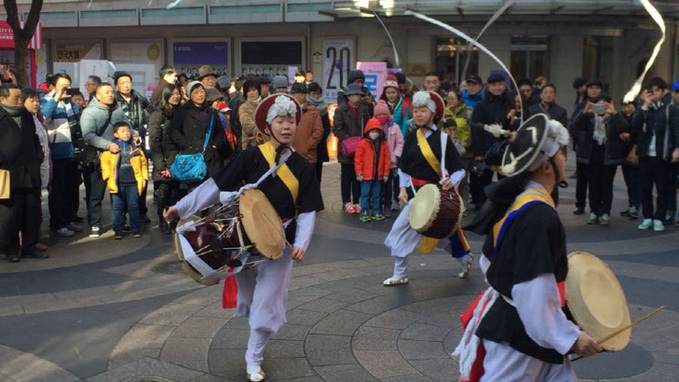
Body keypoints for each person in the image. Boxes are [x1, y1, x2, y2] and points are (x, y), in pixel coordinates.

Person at [163, 93, 323, 382]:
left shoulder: (303, 167)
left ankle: (254, 357)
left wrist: (301, 244)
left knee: (266, 303)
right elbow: (215, 186)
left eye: (291, 121)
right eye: (280, 120)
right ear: (268, 125)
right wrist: (181, 208)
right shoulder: (250, 157)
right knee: (249, 300)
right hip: (242, 241)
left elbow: (309, 210)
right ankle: (258, 335)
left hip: (278, 245)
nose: (287, 126)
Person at [456, 114, 602, 382]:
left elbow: (489, 263)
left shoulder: (521, 200)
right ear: (546, 165)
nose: (563, 157)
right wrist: (570, 337)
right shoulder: (537, 215)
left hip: (524, 326)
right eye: (560, 152)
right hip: (523, 335)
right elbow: (531, 291)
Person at [383, 91, 472, 286]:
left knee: (441, 236)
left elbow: (459, 169)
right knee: (401, 230)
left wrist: (452, 181)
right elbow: (404, 168)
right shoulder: (411, 136)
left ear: (432, 113)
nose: (418, 114)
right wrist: (403, 189)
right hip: (415, 195)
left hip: (435, 196)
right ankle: (400, 273)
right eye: (416, 111)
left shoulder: (443, 139)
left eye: (423, 110)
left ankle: (465, 259)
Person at [0, 83, 45, 262]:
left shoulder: (26, 115)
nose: (20, 101)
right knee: (11, 214)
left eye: (20, 97)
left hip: (30, 171)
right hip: (9, 174)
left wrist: (38, 156)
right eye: (16, 98)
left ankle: (30, 245)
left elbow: (34, 138)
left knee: (31, 211)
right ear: (2, 99)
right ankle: (10, 249)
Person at [630, 77, 679, 232]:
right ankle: (647, 217)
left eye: (657, 90)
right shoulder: (644, 109)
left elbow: (676, 131)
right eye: (651, 91)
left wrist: (677, 148)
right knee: (644, 187)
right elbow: (634, 125)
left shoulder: (669, 110)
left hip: (662, 154)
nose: (654, 94)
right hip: (645, 154)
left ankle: (659, 217)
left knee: (662, 187)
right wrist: (644, 105)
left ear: (663, 92)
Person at [572, 94, 629, 225]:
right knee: (593, 185)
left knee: (607, 185)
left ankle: (605, 212)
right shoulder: (590, 117)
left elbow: (624, 126)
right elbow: (575, 127)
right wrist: (584, 112)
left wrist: (614, 112)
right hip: (592, 155)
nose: (601, 108)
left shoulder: (614, 117)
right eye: (599, 105)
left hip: (609, 155)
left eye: (605, 105)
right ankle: (594, 211)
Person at [41, 73, 84, 237]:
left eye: (68, 85)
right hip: (56, 154)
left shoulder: (70, 104)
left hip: (72, 153)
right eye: (62, 85)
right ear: (53, 86)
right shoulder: (47, 101)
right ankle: (57, 224)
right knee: (58, 191)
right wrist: (56, 99)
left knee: (70, 189)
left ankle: (67, 219)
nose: (66, 89)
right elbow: (44, 117)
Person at [80, 82, 126, 237]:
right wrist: (109, 145)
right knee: (95, 193)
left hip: (118, 157)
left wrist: (134, 134)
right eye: (107, 92)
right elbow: (89, 136)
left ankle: (119, 222)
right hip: (97, 158)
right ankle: (95, 223)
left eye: (112, 92)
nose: (111, 94)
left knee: (117, 191)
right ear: (97, 95)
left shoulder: (117, 109)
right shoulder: (89, 112)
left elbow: (127, 126)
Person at [169, 81, 230, 183]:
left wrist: (215, 145)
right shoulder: (183, 111)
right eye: (196, 93)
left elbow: (220, 131)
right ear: (190, 95)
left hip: (210, 157)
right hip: (191, 157)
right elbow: (174, 130)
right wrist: (186, 145)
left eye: (202, 91)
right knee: (194, 190)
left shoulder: (211, 111)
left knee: (210, 190)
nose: (200, 95)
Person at [470, 73, 512, 207]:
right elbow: (475, 129)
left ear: (504, 85)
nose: (497, 88)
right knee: (484, 182)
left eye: (500, 84)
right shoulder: (481, 105)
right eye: (494, 85)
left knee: (505, 181)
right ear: (488, 87)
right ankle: (483, 208)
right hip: (486, 149)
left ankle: (504, 207)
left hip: (506, 149)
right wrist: (477, 152)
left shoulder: (510, 103)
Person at [114, 71, 151, 222]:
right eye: (122, 82)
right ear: (117, 85)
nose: (126, 85)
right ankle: (121, 215)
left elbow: (149, 116)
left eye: (128, 82)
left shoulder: (140, 99)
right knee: (122, 179)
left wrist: (140, 132)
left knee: (142, 177)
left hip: (139, 143)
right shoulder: (114, 101)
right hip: (121, 145)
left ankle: (141, 211)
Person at [100, 122, 148, 239]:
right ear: (116, 134)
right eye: (123, 131)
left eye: (128, 131)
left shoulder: (135, 147)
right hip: (117, 183)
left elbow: (143, 162)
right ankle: (118, 229)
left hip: (133, 183)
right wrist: (107, 176)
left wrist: (144, 177)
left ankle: (135, 228)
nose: (126, 133)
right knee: (117, 207)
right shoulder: (111, 148)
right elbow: (105, 162)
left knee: (134, 206)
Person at [148, 84, 182, 233]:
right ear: (166, 95)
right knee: (164, 192)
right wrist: (161, 166)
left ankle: (174, 221)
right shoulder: (158, 114)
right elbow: (154, 141)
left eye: (178, 93)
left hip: (179, 159)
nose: (176, 96)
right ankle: (163, 222)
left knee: (177, 193)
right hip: (164, 159)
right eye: (172, 94)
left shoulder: (181, 112)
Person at [332, 83, 371, 214]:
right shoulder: (340, 110)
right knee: (346, 176)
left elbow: (368, 126)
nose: (356, 97)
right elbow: (336, 129)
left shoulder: (364, 109)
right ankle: (346, 201)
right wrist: (348, 139)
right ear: (348, 96)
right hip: (346, 148)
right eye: (353, 94)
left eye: (358, 94)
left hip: (361, 147)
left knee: (358, 175)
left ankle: (356, 201)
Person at [22, 88, 51, 252]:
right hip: (29, 171)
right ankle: (28, 240)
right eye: (32, 100)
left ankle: (35, 237)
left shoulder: (37, 118)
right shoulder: (23, 121)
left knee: (36, 207)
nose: (36, 103)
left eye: (37, 100)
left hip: (41, 168)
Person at [570, 78, 603, 215]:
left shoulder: (604, 105)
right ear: (587, 90)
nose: (594, 91)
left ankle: (596, 207)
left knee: (596, 179)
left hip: (599, 148)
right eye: (591, 88)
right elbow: (574, 125)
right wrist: (578, 141)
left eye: (596, 88)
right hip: (583, 148)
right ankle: (580, 204)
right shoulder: (581, 105)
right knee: (582, 178)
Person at [355, 118, 390, 222]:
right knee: (365, 194)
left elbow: (387, 159)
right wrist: (359, 172)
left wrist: (385, 173)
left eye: (376, 131)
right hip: (366, 175)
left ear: (380, 132)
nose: (374, 133)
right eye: (372, 131)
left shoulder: (383, 144)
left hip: (377, 175)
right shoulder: (363, 143)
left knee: (377, 195)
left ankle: (376, 211)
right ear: (368, 132)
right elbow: (358, 159)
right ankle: (364, 212)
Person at [373, 100, 404, 216]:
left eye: (383, 114)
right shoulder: (373, 127)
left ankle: (388, 204)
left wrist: (395, 155)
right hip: (377, 163)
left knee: (388, 185)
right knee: (377, 186)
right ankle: (377, 205)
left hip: (391, 163)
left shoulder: (394, 127)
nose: (381, 117)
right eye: (379, 115)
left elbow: (400, 142)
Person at [444, 88, 473, 211]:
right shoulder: (444, 113)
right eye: (448, 98)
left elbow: (473, 131)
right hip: (447, 150)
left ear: (459, 99)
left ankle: (464, 204)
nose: (450, 101)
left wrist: (467, 143)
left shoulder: (467, 112)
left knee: (463, 180)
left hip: (463, 151)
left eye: (453, 98)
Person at [289, 83, 323, 165]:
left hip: (307, 156)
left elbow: (318, 132)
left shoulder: (313, 111)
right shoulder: (287, 110)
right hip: (289, 155)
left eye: (297, 94)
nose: (294, 96)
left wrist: (307, 146)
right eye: (293, 94)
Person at [619, 101, 641, 219]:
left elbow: (639, 133)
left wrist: (630, 136)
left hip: (635, 153)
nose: (626, 108)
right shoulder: (620, 117)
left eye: (629, 105)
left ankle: (635, 206)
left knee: (635, 181)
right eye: (624, 106)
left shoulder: (638, 116)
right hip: (623, 154)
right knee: (628, 181)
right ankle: (631, 204)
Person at [306, 82, 332, 183]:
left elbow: (327, 127)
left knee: (318, 174)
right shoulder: (305, 106)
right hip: (307, 144)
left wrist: (320, 137)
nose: (316, 96)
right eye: (313, 94)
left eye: (318, 94)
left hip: (320, 145)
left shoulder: (323, 107)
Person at [380, 72, 411, 138]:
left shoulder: (404, 105)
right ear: (384, 94)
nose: (391, 95)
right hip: (384, 139)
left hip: (399, 139)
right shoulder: (380, 106)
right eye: (388, 93)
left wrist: (401, 140)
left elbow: (405, 125)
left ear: (397, 92)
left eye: (393, 92)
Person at [239, 79, 263, 149]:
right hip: (251, 145)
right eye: (248, 91)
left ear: (258, 91)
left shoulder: (265, 105)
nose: (252, 93)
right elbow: (247, 125)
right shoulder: (243, 107)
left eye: (254, 90)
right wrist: (260, 132)